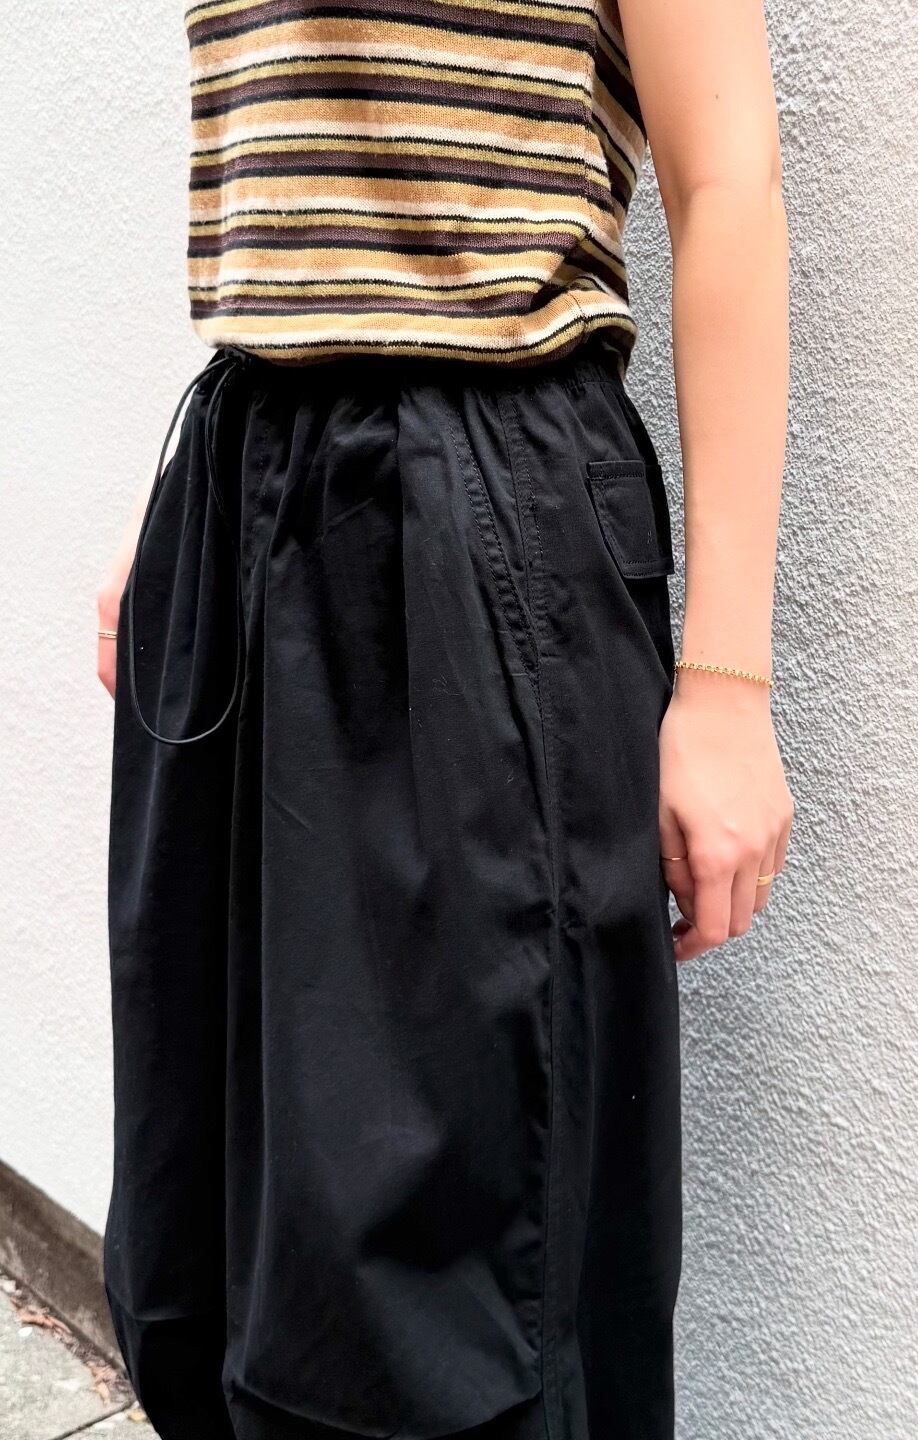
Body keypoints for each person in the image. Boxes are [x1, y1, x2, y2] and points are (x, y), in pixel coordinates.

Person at [93, 1, 792, 1436]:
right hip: (241, 491)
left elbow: (725, 175)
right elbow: (303, 162)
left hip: (474, 512)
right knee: (197, 1231)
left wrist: (728, 680)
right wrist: (182, 520)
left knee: (450, 1294)